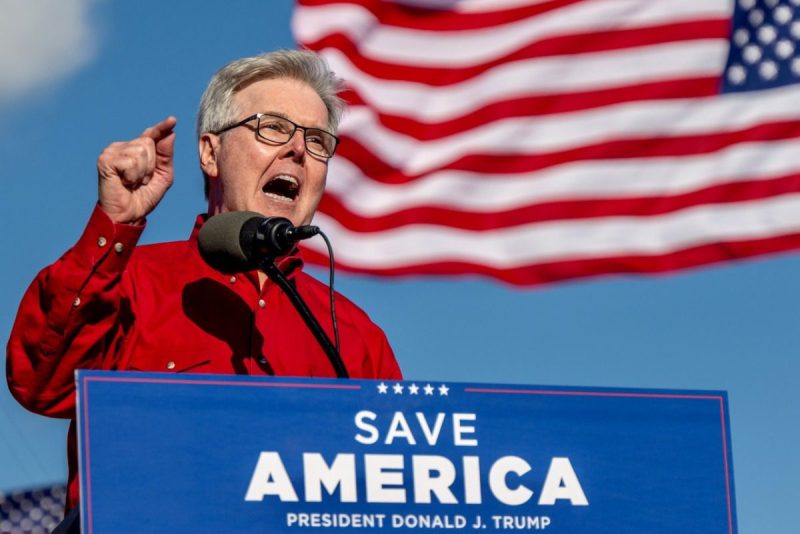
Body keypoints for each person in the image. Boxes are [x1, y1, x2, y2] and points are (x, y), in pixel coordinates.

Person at [6, 49, 402, 513]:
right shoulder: (130, 282)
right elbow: (41, 383)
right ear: (210, 153)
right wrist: (114, 225)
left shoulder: (352, 335)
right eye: (273, 127)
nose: (298, 149)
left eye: (317, 140)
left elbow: (394, 489)